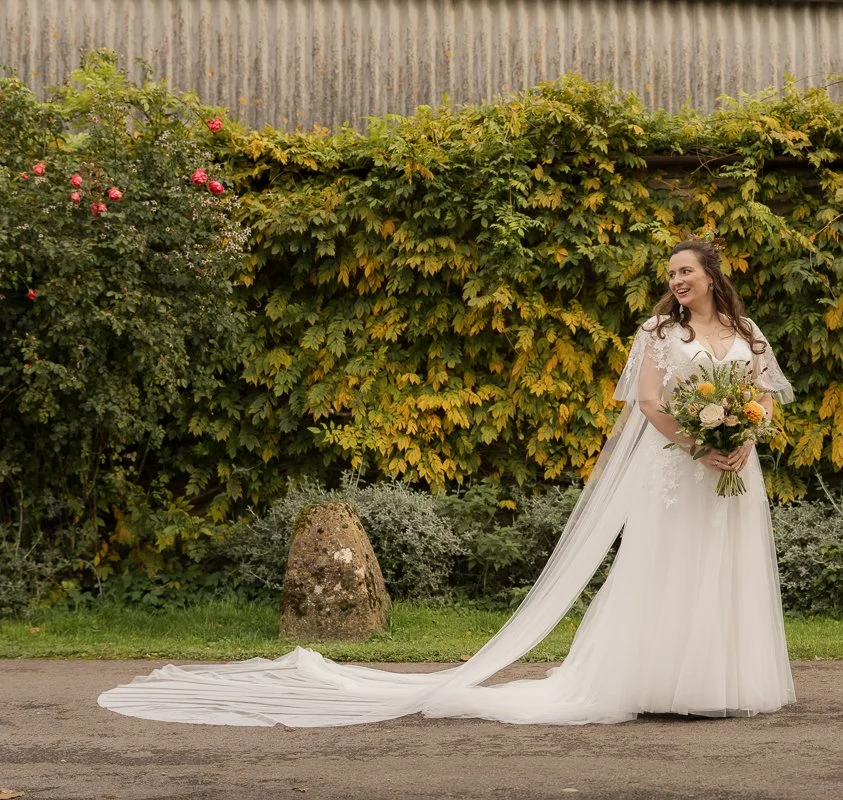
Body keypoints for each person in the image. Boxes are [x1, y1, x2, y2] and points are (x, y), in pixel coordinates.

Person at [98, 239, 796, 726]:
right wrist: (700, 445)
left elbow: (762, 397)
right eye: (670, 272)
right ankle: (660, 684)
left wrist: (737, 441)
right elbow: (648, 404)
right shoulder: (655, 333)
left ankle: (720, 685)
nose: (676, 280)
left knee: (723, 571)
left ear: (711, 273)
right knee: (667, 573)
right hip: (677, 468)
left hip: (734, 469)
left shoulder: (746, 332)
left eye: (685, 270)